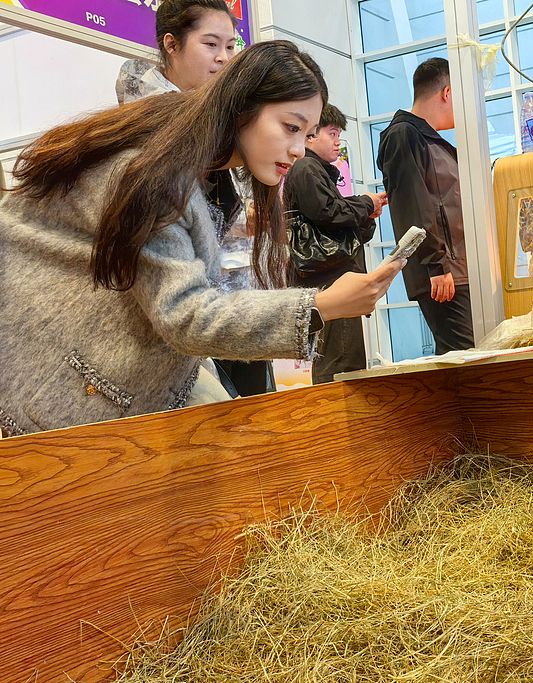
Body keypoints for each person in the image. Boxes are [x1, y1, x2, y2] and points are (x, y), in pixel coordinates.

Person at [0, 41, 402, 437]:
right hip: (51, 383)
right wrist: (320, 306)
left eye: (308, 134)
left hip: (116, 373)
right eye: (290, 127)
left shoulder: (207, 174)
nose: (298, 149)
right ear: (241, 106)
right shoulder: (156, 173)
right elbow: (184, 313)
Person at [117, 0, 280, 397]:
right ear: (171, 44)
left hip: (236, 294)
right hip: (184, 307)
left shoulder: (221, 117)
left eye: (230, 46)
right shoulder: (147, 126)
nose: (223, 58)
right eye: (210, 44)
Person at [377, 57, 475, 356]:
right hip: (443, 271)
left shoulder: (430, 140)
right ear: (447, 92)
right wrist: (436, 265)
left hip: (455, 268)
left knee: (468, 355)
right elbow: (414, 205)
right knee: (464, 356)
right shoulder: (403, 135)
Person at [284, 104, 387, 381]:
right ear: (311, 136)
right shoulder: (306, 167)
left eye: (339, 134)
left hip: (333, 273)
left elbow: (338, 222)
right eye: (332, 133)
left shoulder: (315, 170)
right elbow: (327, 212)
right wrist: (365, 203)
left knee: (343, 355)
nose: (337, 141)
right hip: (329, 275)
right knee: (339, 360)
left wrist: (366, 210)